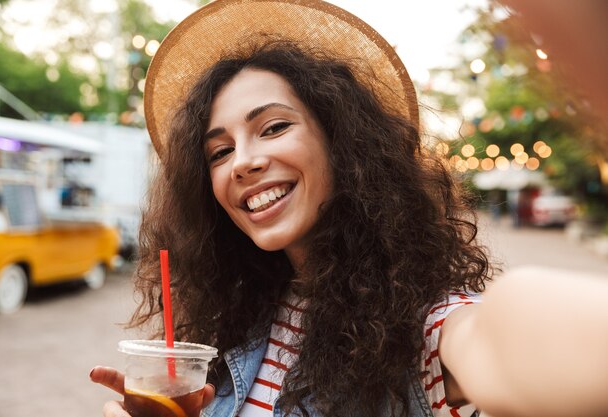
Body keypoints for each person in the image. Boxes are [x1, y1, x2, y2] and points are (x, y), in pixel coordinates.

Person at [90, 1, 608, 417]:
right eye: (219, 152)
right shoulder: (236, 326)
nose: (243, 162)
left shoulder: (424, 333)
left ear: (342, 146)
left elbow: (503, 338)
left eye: (273, 127)